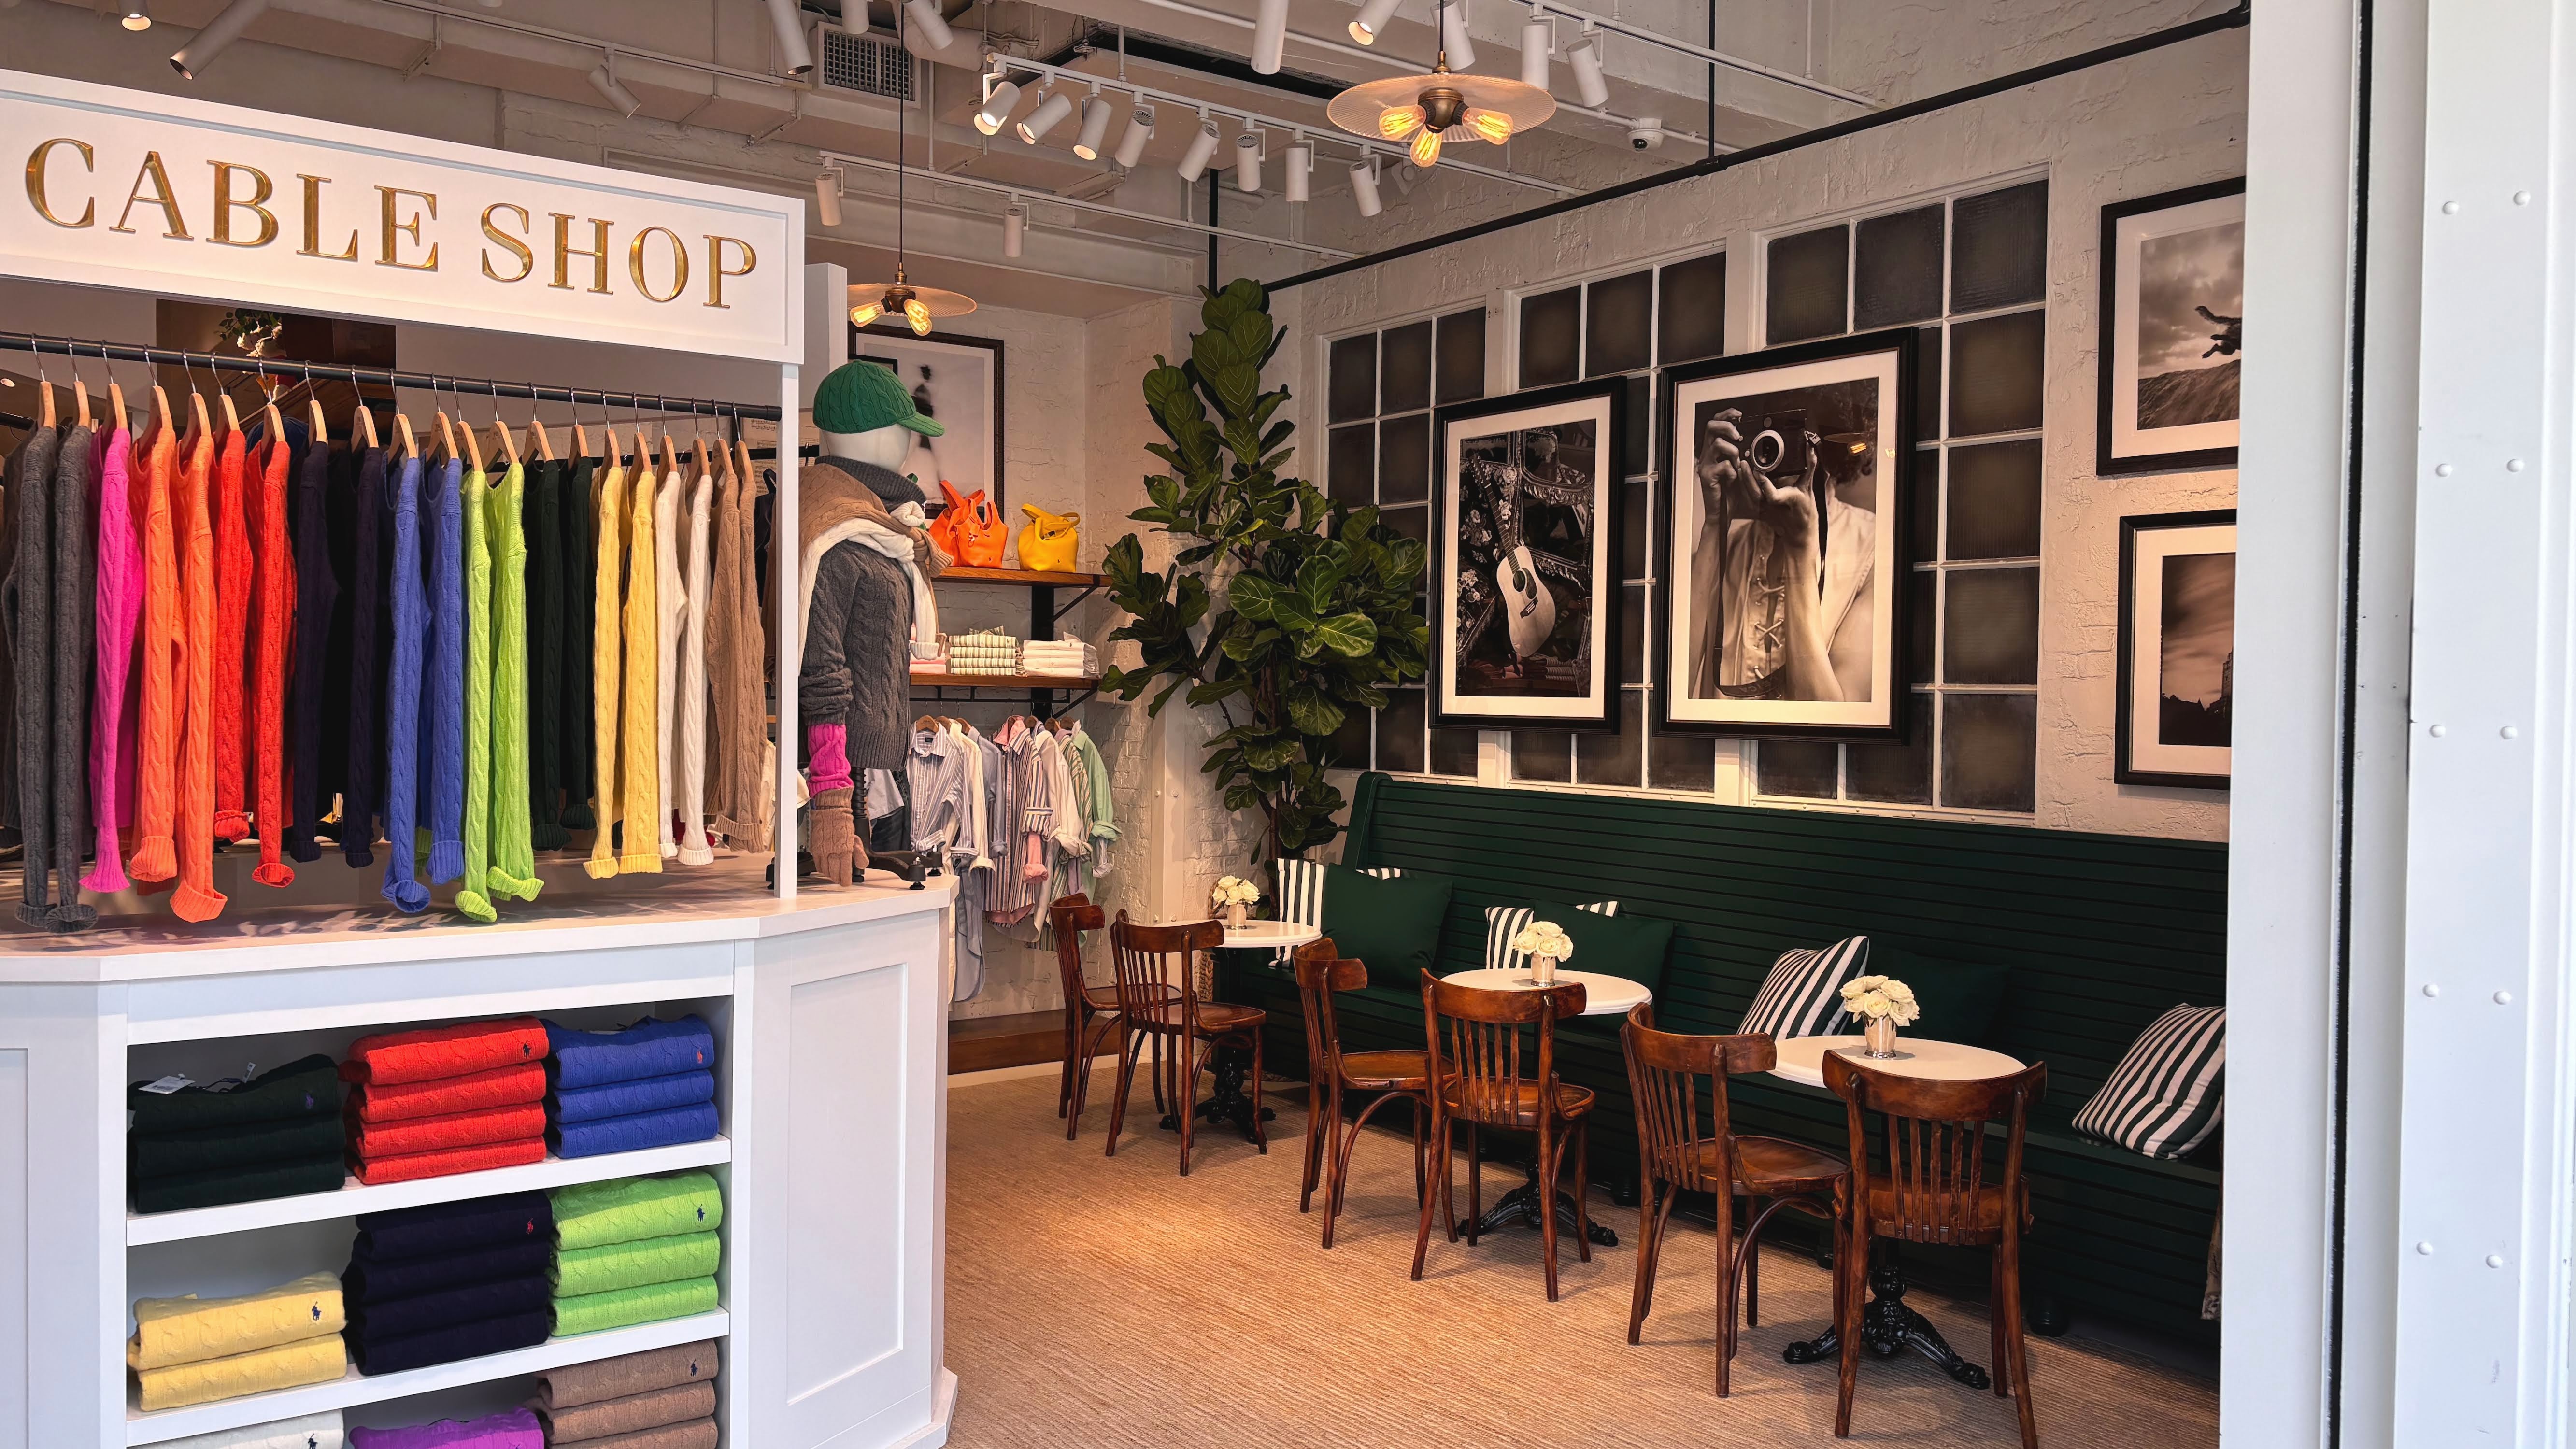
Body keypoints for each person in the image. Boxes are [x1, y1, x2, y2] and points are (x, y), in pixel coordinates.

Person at [1686, 406, 1877, 703]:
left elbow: (1835, 720)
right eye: (1763, 434)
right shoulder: (1728, 545)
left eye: (1792, 433)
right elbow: (1669, 694)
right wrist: (1715, 523)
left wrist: (1800, 550)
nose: (1773, 450)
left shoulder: (1873, 546)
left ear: (1825, 447)